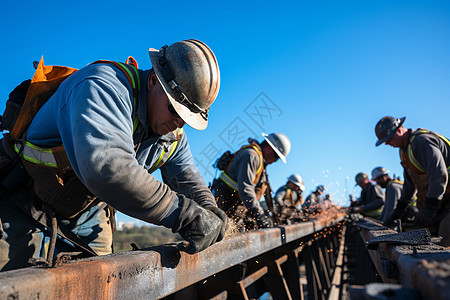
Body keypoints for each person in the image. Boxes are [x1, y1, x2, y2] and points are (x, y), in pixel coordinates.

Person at [0, 39, 227, 271]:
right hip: (20, 195)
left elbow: (187, 178)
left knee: (100, 278)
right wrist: (186, 216)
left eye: (187, 119)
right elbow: (108, 168)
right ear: (153, 81)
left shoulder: (173, 134)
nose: (179, 122)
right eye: (175, 109)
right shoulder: (103, 85)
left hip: (85, 211)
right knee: (11, 282)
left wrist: (209, 211)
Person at [375, 116, 450, 246]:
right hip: (443, 200)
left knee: (443, 241)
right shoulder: (404, 152)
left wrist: (430, 207)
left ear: (399, 131)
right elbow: (410, 185)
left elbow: (439, 174)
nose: (387, 143)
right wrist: (399, 211)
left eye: (388, 139)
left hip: (445, 200)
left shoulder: (421, 142)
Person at [211, 132, 291, 229]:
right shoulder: (251, 156)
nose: (275, 161)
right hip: (223, 203)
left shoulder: (260, 161)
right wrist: (260, 216)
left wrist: (272, 212)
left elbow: (264, 189)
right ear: (270, 149)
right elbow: (246, 189)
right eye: (277, 157)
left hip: (232, 205)